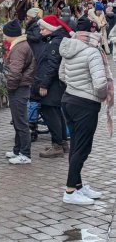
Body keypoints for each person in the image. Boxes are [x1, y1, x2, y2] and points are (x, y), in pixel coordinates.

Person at [59, 19, 112, 205]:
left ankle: (78, 185)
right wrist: (104, 95)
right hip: (85, 104)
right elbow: (100, 85)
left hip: (68, 100)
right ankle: (70, 190)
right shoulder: (93, 52)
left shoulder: (69, 47)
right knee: (82, 148)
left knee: (76, 145)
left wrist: (75, 86)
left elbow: (62, 75)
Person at [35, 15, 72, 158]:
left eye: (43, 28)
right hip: (57, 84)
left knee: (50, 113)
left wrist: (44, 84)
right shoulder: (56, 41)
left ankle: (57, 145)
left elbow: (51, 66)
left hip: (53, 85)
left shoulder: (54, 43)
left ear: (51, 29)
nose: (40, 31)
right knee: (57, 113)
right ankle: (62, 143)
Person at [2, 19, 35, 164]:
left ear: (11, 34)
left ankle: (25, 154)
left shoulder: (19, 48)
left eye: (5, 34)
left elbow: (15, 72)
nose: (3, 36)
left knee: (20, 122)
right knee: (18, 121)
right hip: (21, 87)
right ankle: (17, 150)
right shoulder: (22, 45)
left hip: (19, 88)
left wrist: (10, 87)